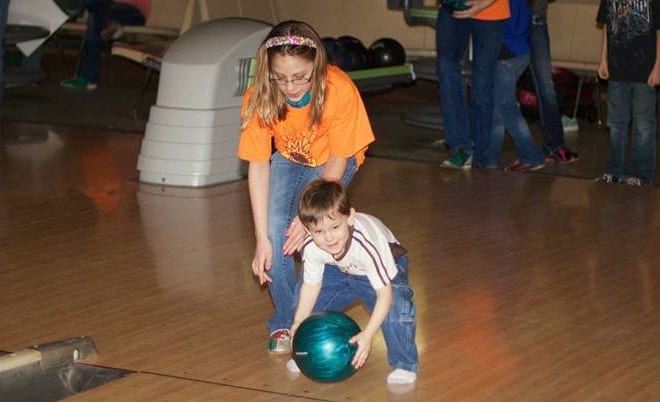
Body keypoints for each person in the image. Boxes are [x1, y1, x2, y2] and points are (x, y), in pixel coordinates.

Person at [237, 21, 375, 354]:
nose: (291, 86)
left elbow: (338, 161)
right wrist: (260, 238)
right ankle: (287, 321)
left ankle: (317, 306)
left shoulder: (338, 89)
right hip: (290, 157)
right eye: (280, 78)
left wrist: (307, 215)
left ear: (317, 65)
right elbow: (257, 166)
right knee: (275, 237)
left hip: (333, 161)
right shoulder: (259, 95)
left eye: (300, 76)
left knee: (315, 232)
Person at [286, 179, 418, 385]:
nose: (329, 238)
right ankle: (307, 352)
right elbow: (311, 286)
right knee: (302, 304)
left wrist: (368, 335)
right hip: (340, 267)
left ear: (350, 217)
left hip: (384, 264)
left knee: (396, 308)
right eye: (319, 231)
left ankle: (405, 364)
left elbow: (385, 295)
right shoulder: (312, 246)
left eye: (335, 227)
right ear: (307, 229)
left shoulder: (366, 244)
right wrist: (299, 323)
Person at [437, 0, 511, 169]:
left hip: (491, 10)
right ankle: (461, 147)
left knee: (482, 82)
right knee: (446, 69)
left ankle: (480, 153)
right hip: (452, 8)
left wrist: (484, 3)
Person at [595, 0, 660, 186]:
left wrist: (658, 68)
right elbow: (607, 28)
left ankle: (642, 174)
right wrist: (603, 60)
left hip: (644, 71)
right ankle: (615, 170)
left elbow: (658, 32)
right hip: (617, 70)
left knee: (644, 125)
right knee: (616, 123)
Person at [483, 0, 546, 172]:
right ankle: (489, 158)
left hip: (506, 55)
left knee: (505, 108)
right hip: (517, 52)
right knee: (498, 109)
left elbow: (495, 25)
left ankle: (531, 156)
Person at [528, 0, 580, 162]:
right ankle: (483, 147)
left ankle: (555, 145)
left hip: (535, 21)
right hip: (509, 22)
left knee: (546, 87)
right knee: (499, 86)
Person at [60, 0, 150, 90]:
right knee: (95, 17)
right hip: (107, 11)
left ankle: (88, 78)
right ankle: (111, 25)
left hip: (135, 12)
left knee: (96, 17)